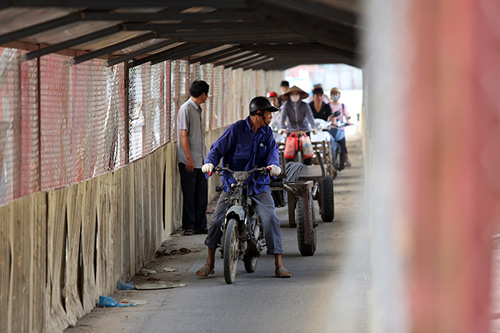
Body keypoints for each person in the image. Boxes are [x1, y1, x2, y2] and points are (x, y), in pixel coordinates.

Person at [196, 96, 291, 278]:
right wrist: (209, 163)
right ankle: (209, 263)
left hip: (258, 184)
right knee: (216, 221)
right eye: (268, 113)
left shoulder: (267, 133)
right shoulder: (235, 130)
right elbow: (217, 149)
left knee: (270, 218)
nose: (271, 117)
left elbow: (272, 151)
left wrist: (274, 165)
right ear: (258, 114)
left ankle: (279, 263)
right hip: (233, 184)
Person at [177, 80, 210, 236]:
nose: (207, 97)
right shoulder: (186, 109)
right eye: (206, 94)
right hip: (188, 161)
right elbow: (183, 134)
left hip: (200, 159)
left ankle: (200, 225)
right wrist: (188, 158)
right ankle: (189, 226)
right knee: (189, 194)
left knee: (201, 193)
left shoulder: (197, 109)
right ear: (203, 94)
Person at [278, 85, 317, 164]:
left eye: (296, 94)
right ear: (289, 96)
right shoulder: (286, 106)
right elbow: (282, 118)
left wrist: (313, 127)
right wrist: (281, 128)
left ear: (300, 95)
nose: (294, 96)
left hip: (304, 131)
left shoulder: (305, 105)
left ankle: (308, 169)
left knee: (308, 154)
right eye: (293, 94)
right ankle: (290, 171)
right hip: (291, 131)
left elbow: (310, 117)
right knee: (288, 155)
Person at [329, 87, 353, 167]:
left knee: (343, 146)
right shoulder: (328, 106)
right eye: (333, 94)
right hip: (330, 129)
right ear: (331, 95)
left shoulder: (342, 105)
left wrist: (348, 120)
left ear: (339, 95)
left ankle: (346, 158)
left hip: (340, 129)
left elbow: (347, 114)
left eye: (336, 94)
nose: (335, 95)